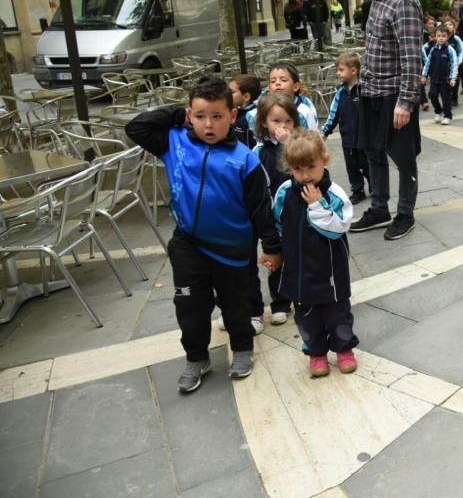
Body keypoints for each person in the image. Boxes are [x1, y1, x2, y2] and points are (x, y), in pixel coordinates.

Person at [125, 77, 282, 393]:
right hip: (189, 244)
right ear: (189, 116)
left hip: (233, 247)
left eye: (217, 116)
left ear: (232, 116)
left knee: (235, 304)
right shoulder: (175, 143)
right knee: (190, 305)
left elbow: (261, 208)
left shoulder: (244, 159)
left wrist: (272, 245)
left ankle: (242, 349)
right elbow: (136, 128)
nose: (208, 124)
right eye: (199, 116)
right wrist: (175, 115)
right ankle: (196, 357)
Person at [348, 0, 422, 241]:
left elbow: (411, 56)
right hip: (372, 92)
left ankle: (405, 213)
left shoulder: (403, 0)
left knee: (403, 157)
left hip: (394, 95)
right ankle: (379, 208)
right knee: (373, 152)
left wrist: (405, 102)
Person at [273, 130, 358, 377]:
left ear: (325, 160)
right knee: (306, 317)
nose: (306, 175)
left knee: (338, 313)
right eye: (298, 169)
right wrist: (276, 251)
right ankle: (316, 353)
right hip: (299, 270)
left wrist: (317, 205)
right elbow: (277, 223)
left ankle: (344, 350)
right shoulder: (284, 192)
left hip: (331, 270)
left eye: (311, 167)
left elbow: (337, 229)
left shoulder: (334, 194)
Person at [249, 92, 300, 327]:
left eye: (287, 121)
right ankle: (279, 302)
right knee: (277, 258)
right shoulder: (259, 152)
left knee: (299, 256)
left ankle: (296, 298)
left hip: (299, 212)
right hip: (272, 215)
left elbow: (306, 168)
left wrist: (289, 144)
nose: (283, 126)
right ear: (263, 123)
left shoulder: (299, 146)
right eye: (276, 121)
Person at [322, 52, 370, 205]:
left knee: (367, 163)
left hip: (365, 137)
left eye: (341, 70)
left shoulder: (364, 90)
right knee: (352, 166)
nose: (338, 73)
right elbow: (333, 114)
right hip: (347, 137)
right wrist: (325, 131)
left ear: (354, 70)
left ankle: (375, 186)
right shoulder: (340, 93)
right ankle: (358, 190)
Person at [247, 63, 319, 132]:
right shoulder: (260, 109)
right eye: (273, 81)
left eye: (283, 80)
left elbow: (312, 140)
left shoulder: (304, 111)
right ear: (269, 88)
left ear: (295, 86)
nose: (277, 83)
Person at [422, 25, 459, 125]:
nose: (441, 38)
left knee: (446, 99)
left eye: (443, 36)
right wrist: (424, 75)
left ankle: (447, 116)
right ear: (435, 37)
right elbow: (428, 63)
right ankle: (438, 111)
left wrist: (453, 78)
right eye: (438, 36)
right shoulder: (433, 50)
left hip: (445, 80)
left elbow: (454, 64)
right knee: (432, 95)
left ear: (447, 37)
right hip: (434, 79)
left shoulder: (450, 50)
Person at [229, 74, 261, 149]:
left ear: (246, 97)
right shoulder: (235, 111)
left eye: (232, 92)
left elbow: (258, 143)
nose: (227, 95)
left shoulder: (252, 115)